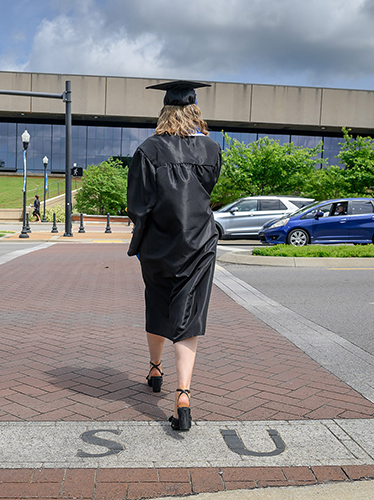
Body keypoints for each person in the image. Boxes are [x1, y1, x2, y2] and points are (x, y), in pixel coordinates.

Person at [127, 80, 221, 431]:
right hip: (198, 243)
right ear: (195, 111)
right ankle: (183, 393)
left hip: (158, 245)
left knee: (158, 302)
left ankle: (154, 368)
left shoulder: (149, 150)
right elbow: (206, 192)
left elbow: (138, 203)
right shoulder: (211, 150)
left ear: (164, 111)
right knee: (188, 314)